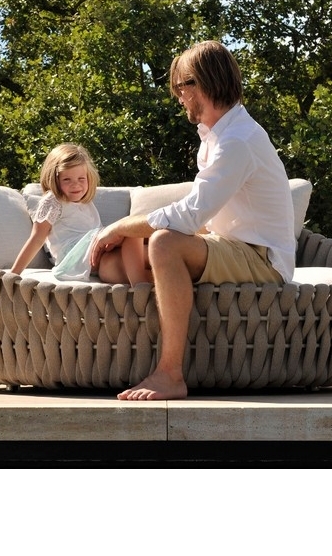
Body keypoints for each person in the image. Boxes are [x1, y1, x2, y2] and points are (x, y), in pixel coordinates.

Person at [91, 41, 295, 400]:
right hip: (230, 245)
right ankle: (162, 304)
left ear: (202, 84)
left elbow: (188, 216)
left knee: (164, 243)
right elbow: (205, 219)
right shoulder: (216, 137)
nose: (179, 98)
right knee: (111, 265)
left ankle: (170, 374)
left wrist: (121, 225)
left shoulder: (238, 141)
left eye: (181, 87)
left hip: (262, 258)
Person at [10, 143, 104, 281]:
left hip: (93, 251)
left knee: (129, 238)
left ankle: (137, 286)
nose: (75, 184)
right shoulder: (53, 201)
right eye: (67, 179)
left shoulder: (85, 202)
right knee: (123, 233)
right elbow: (37, 238)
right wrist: (13, 274)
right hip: (72, 258)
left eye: (81, 179)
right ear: (54, 179)